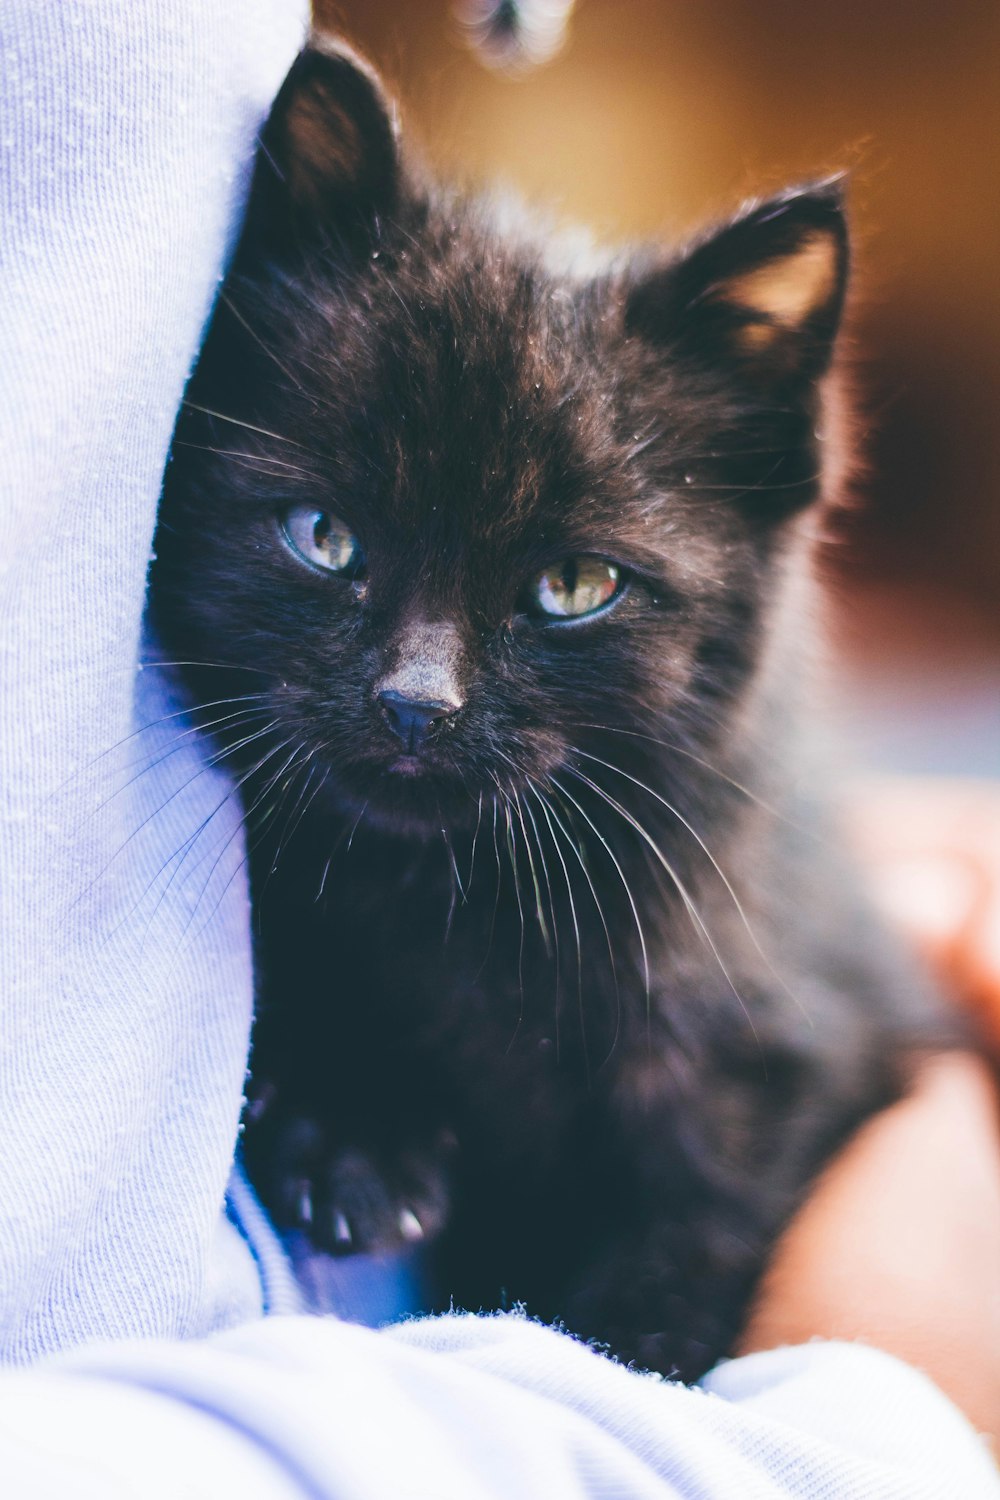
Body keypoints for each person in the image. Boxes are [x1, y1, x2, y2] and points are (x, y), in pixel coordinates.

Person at [1, 2, 997, 1492]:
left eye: (567, 589)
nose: (419, 690)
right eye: (332, 540)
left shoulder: (686, 939)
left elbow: (786, 1117)